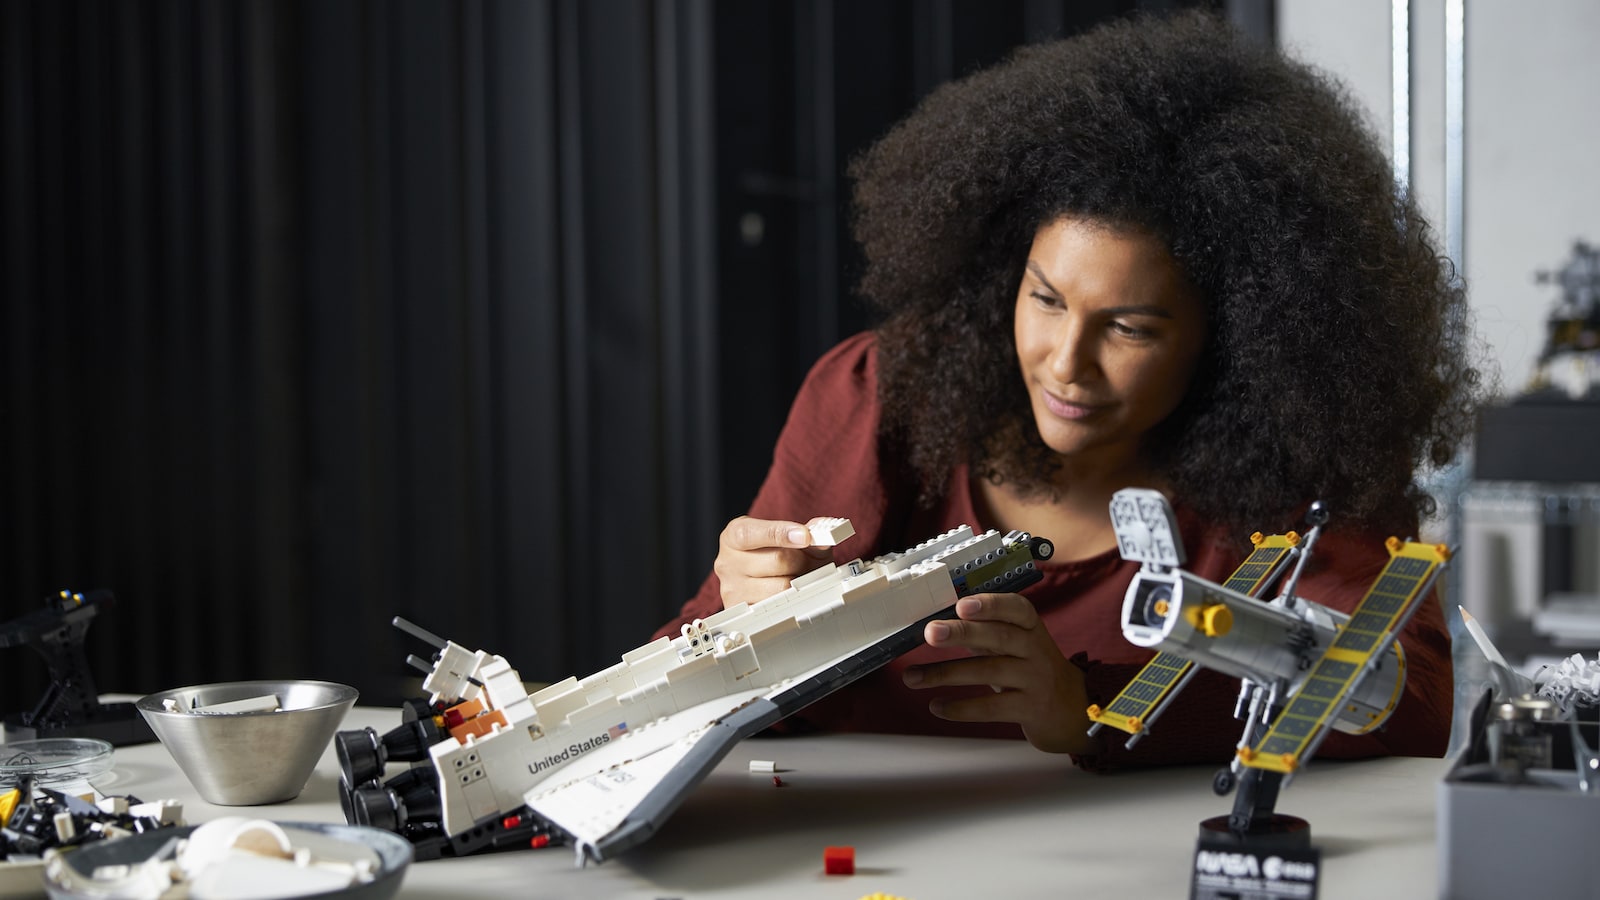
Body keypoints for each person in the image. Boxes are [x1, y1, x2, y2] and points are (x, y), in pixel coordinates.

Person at [655, 11, 1482, 771]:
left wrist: (1093, 707)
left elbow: (1411, 698)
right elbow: (667, 700)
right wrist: (738, 619)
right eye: (1046, 300)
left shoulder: (1304, 464)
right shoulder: (881, 397)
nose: (1066, 363)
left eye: (1129, 329)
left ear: (1237, 338)